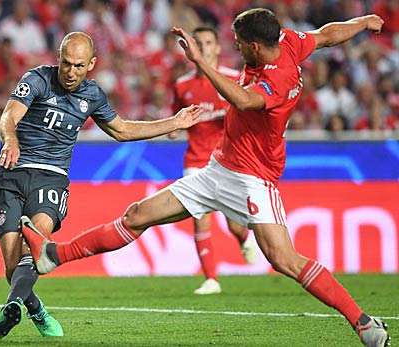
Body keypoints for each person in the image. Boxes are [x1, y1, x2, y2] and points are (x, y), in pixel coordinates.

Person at [21, 9, 389, 347]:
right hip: (218, 169)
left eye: (241, 44)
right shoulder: (290, 41)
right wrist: (363, 22)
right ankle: (54, 255)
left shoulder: (279, 80)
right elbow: (326, 34)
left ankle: (364, 324)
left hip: (253, 178)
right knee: (137, 215)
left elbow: (245, 101)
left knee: (284, 259)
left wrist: (202, 63)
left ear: (257, 47)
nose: (237, 48)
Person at [0, 31, 202, 339]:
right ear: (57, 59)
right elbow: (9, 116)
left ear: (91, 64)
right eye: (65, 64)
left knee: (36, 249)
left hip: (51, 177)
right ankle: (35, 309)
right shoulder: (36, 79)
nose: (70, 72)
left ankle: (13, 306)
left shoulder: (92, 96)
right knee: (12, 266)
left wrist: (175, 122)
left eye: (78, 65)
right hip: (11, 172)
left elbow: (123, 130)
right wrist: (11, 138)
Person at [170, 26, 258, 295]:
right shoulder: (182, 85)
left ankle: (244, 237)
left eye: (208, 42)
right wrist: (173, 128)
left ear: (218, 48)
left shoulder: (235, 79)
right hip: (196, 159)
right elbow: (176, 119)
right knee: (199, 217)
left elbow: (252, 114)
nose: (204, 47)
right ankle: (211, 279)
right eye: (198, 42)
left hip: (228, 161)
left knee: (234, 223)